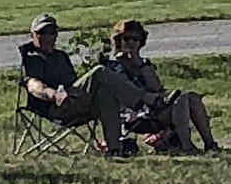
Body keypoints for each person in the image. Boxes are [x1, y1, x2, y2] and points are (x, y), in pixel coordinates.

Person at [20, 13, 167, 157]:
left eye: (51, 32)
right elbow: (33, 85)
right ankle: (147, 100)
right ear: (32, 35)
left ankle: (115, 148)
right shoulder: (32, 57)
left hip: (75, 101)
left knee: (105, 93)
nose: (47, 37)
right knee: (99, 71)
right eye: (42, 33)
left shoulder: (60, 56)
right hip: (55, 107)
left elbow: (74, 84)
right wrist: (54, 95)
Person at [106, 18, 219, 155]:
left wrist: (139, 63)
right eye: (127, 39)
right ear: (119, 40)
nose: (131, 43)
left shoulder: (144, 64)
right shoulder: (112, 66)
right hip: (135, 115)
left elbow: (157, 88)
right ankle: (186, 146)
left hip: (154, 108)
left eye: (136, 40)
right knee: (181, 99)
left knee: (192, 97)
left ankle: (210, 144)